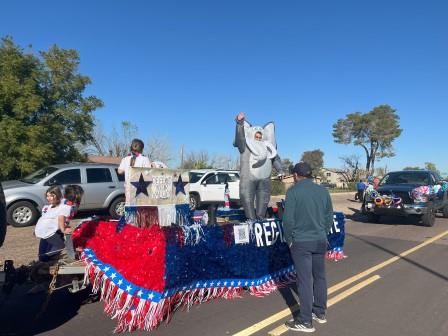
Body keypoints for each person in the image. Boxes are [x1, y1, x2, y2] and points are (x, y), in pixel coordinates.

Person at [282, 161, 334, 333]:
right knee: (320, 277)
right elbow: (329, 216)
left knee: (304, 281)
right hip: (320, 240)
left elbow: (288, 221)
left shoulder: (293, 192)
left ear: (296, 175)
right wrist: (323, 232)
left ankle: (305, 321)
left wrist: (289, 239)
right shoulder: (323, 191)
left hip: (301, 242)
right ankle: (319, 312)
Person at [233, 112, 285, 220]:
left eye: (260, 136)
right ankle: (251, 220)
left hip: (265, 179)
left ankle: (260, 219)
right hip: (248, 178)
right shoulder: (245, 145)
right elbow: (240, 138)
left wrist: (280, 170)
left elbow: (275, 158)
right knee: (247, 199)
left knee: (264, 200)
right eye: (256, 136)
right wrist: (239, 123)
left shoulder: (268, 147)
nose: (258, 138)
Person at [34, 186, 72, 263]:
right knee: (60, 246)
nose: (49, 198)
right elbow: (61, 218)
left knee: (47, 243)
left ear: (58, 195)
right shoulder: (63, 206)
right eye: (47, 196)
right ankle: (45, 257)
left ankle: (43, 257)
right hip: (48, 230)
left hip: (42, 229)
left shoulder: (48, 207)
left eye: (51, 196)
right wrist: (63, 229)